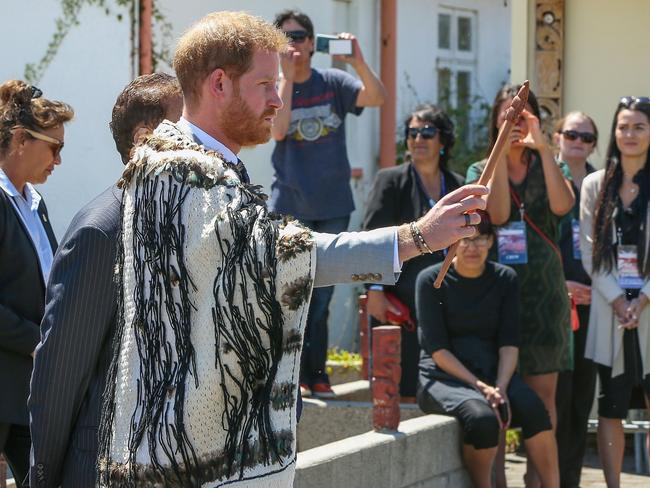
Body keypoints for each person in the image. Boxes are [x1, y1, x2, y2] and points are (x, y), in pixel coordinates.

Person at [93, 11, 487, 488]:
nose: (279, 100)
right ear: (219, 83)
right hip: (188, 462)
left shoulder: (195, 169)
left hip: (193, 450)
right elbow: (280, 254)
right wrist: (417, 236)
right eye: (265, 85)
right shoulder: (179, 175)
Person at [28, 73, 183, 488]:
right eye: (186, 127)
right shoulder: (103, 229)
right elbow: (61, 375)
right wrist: (43, 476)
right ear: (145, 137)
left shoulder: (190, 222)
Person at [271, 9, 386, 397]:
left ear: (314, 42)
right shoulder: (274, 85)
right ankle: (290, 378)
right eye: (285, 37)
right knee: (290, 292)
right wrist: (286, 78)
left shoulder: (334, 82)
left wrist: (356, 60)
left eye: (301, 36)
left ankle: (316, 375)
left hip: (334, 204)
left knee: (322, 295)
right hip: (289, 204)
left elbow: (376, 97)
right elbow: (279, 129)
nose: (294, 44)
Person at [416, 212, 559, 488]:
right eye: (465, 240)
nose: (473, 247)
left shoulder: (505, 278)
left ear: (492, 242)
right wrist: (481, 387)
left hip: (495, 372)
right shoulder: (431, 280)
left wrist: (502, 386)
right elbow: (437, 349)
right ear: (452, 243)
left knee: (533, 409)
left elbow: (509, 342)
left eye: (481, 239)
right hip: (445, 376)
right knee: (482, 419)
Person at [0, 80, 73, 487]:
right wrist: (37, 339)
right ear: (20, 140)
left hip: (28, 386)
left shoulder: (33, 200)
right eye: (54, 147)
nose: (58, 160)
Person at [363, 104, 463, 399]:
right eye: (412, 133)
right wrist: (375, 289)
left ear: (442, 141)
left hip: (444, 299)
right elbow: (372, 236)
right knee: (400, 380)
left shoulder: (456, 184)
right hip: (399, 298)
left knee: (440, 376)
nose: (418, 139)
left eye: (427, 133)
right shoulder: (391, 180)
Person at [580, 96, 650, 488]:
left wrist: (641, 299)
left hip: (648, 308)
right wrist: (619, 300)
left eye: (639, 126)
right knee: (611, 406)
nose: (630, 134)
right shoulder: (596, 184)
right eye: (623, 126)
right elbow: (589, 250)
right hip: (612, 311)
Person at [553, 111, 599, 488]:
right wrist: (560, 284)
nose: (578, 142)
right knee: (555, 401)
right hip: (551, 305)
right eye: (571, 134)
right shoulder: (543, 179)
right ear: (557, 137)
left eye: (586, 137)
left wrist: (601, 289)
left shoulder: (605, 186)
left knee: (582, 401)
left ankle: (570, 481)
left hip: (595, 305)